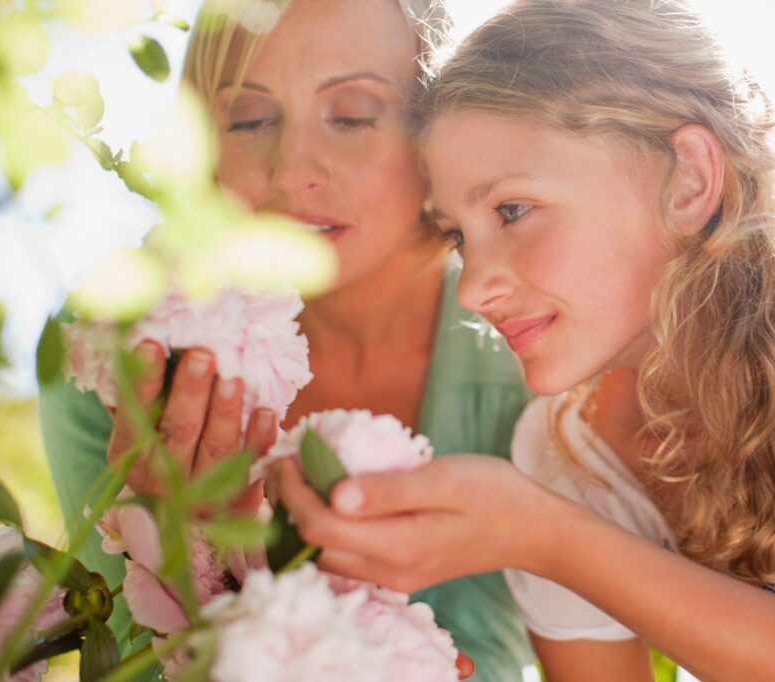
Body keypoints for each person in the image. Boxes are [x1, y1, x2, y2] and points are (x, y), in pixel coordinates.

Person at [274, 0, 775, 679]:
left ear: (689, 179)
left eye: (512, 210)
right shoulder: (565, 463)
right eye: (458, 237)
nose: (472, 288)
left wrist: (546, 537)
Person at [38, 1, 535, 680]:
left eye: (354, 115)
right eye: (250, 120)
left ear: (439, 132)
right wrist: (179, 576)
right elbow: (126, 660)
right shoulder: (113, 353)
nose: (291, 169)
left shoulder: (531, 342)